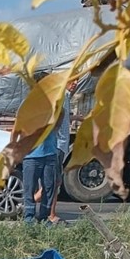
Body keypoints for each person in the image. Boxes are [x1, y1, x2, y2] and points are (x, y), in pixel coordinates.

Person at [47, 81, 75, 224]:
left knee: (53, 181)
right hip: (58, 144)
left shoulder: (67, 96)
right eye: (72, 80)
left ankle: (39, 206)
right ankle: (51, 214)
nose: (75, 83)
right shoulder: (62, 95)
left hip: (61, 144)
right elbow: (57, 118)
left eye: (77, 80)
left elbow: (63, 119)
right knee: (55, 181)